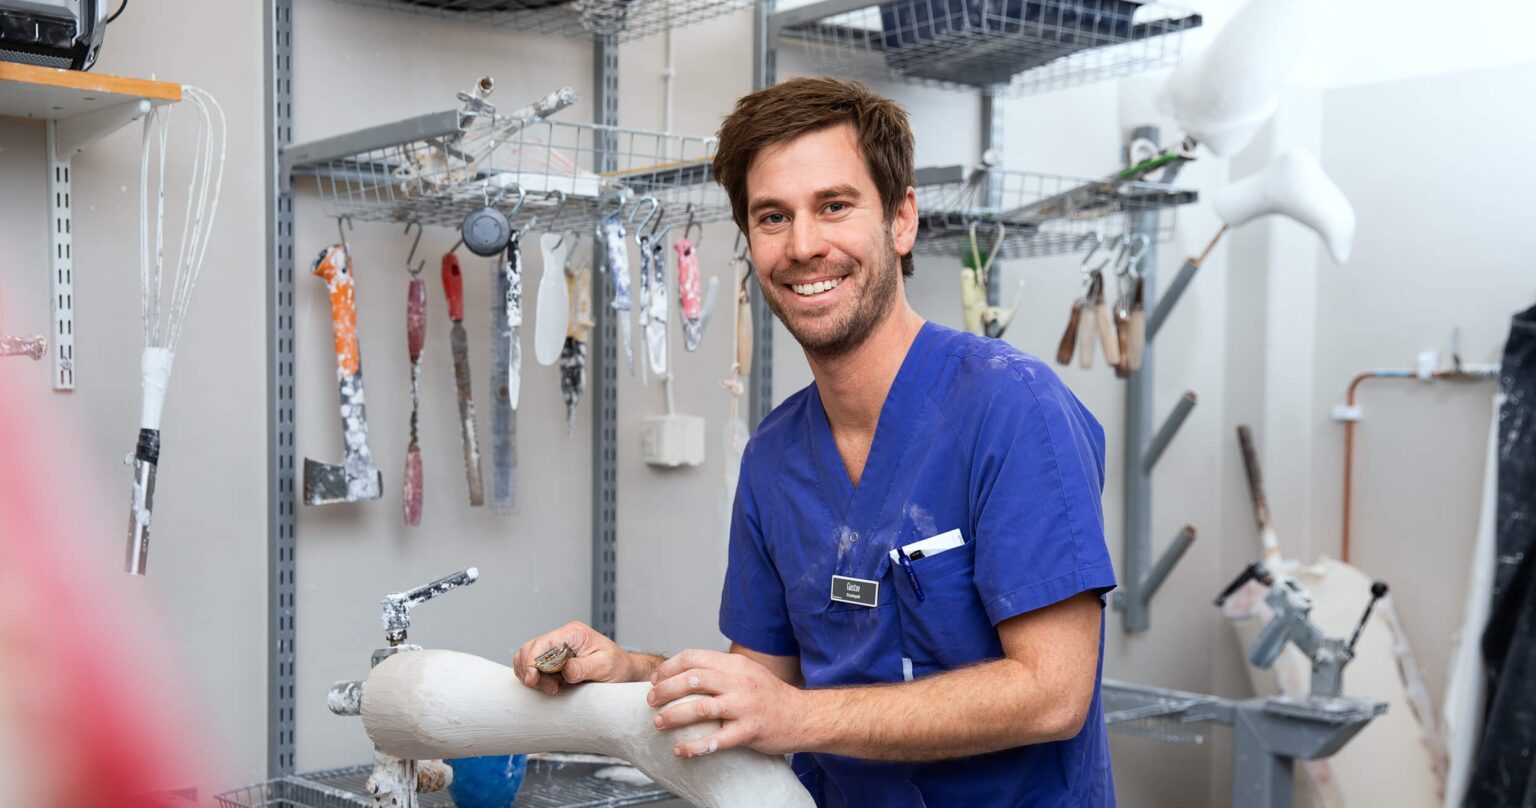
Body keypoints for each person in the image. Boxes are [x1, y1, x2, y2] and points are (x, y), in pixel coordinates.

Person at [514, 77, 1117, 806]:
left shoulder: (1012, 408)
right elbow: (762, 686)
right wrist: (631, 674)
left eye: (834, 206)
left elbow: (1054, 694)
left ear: (901, 220)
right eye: (773, 217)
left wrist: (800, 718)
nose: (803, 246)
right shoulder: (775, 457)